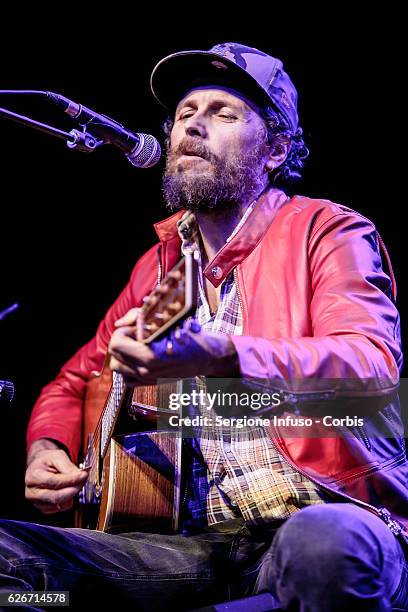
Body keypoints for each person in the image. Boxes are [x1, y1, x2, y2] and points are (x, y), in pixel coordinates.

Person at [0, 42, 407, 611]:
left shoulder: (324, 230)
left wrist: (221, 355)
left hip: (322, 515)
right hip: (191, 551)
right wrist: (46, 447)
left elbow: (370, 366)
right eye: (185, 113)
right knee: (9, 560)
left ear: (275, 150)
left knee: (328, 548)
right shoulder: (167, 268)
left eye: (223, 113)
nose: (193, 126)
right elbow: (73, 382)